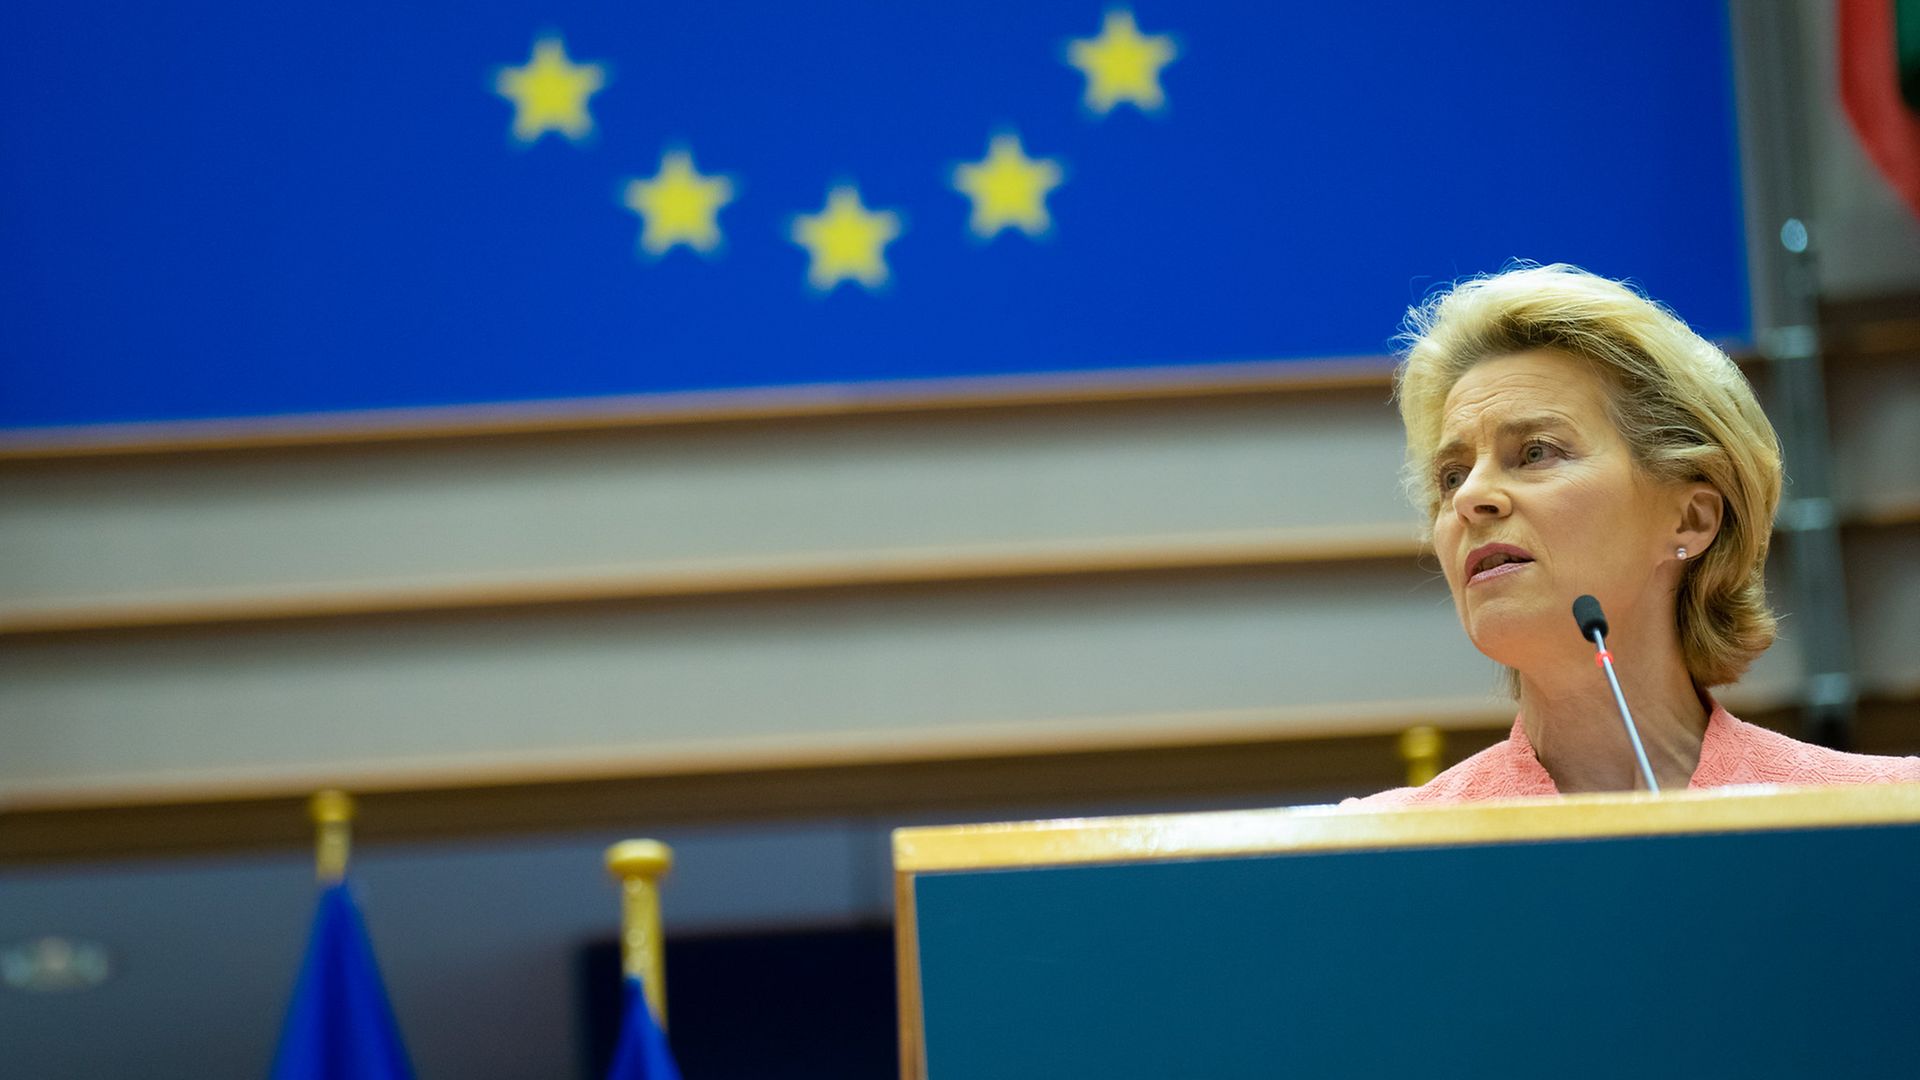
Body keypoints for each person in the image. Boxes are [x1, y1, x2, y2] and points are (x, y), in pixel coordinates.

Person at [1348, 264, 1918, 807]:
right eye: (1452, 476)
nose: (1471, 498)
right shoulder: (1379, 850)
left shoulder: (1885, 815)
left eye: (1536, 452)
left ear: (1691, 520)